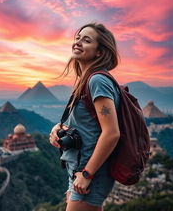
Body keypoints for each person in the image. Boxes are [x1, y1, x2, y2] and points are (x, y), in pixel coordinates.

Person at [49, 23, 121, 211]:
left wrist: (87, 175)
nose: (78, 42)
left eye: (87, 40)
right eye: (78, 38)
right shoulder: (86, 80)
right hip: (79, 170)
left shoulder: (97, 80)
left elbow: (111, 132)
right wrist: (58, 127)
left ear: (99, 52)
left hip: (90, 173)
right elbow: (88, 125)